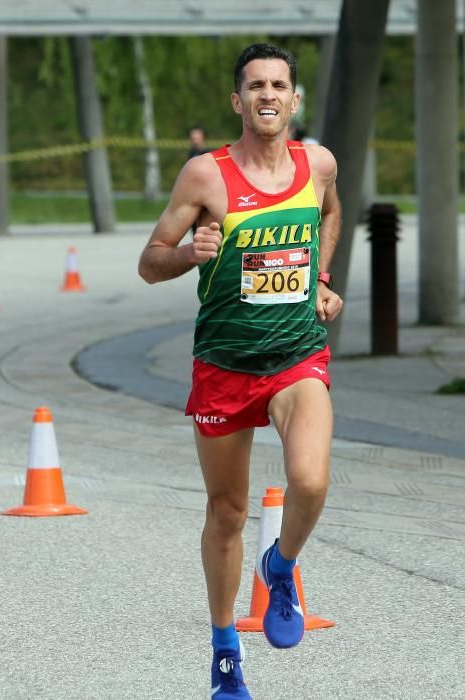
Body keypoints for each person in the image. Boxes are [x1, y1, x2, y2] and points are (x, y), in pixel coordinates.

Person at [138, 43, 343, 699]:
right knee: (226, 513)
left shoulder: (318, 165)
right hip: (224, 364)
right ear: (238, 100)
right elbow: (150, 260)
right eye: (255, 85)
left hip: (295, 356)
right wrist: (188, 254)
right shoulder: (206, 175)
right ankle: (225, 652)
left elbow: (331, 214)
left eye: (278, 84)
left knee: (309, 482)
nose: (267, 95)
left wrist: (321, 278)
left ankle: (279, 565)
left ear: (293, 97)